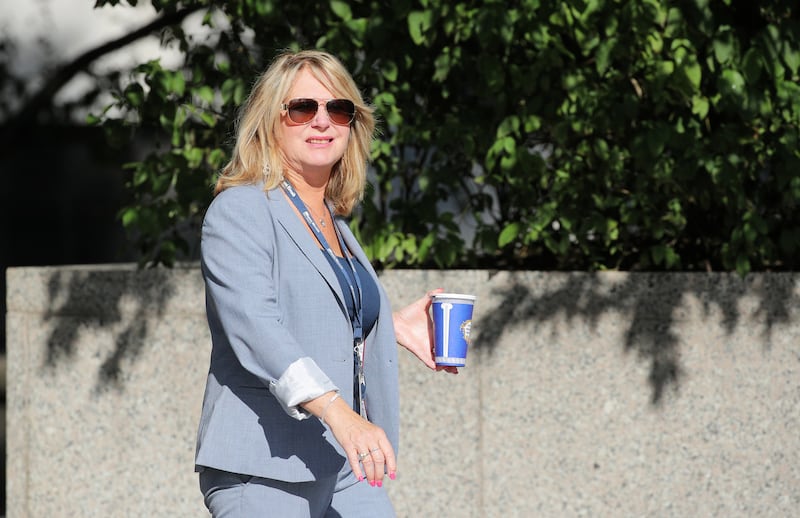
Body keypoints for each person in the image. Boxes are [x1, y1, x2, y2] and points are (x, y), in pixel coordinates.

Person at [194, 49, 456, 517]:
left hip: (340, 464)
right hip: (264, 465)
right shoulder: (241, 209)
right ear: (270, 121)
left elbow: (314, 310)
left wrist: (389, 327)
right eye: (302, 108)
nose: (322, 121)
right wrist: (342, 415)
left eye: (338, 109)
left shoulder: (332, 222)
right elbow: (256, 326)